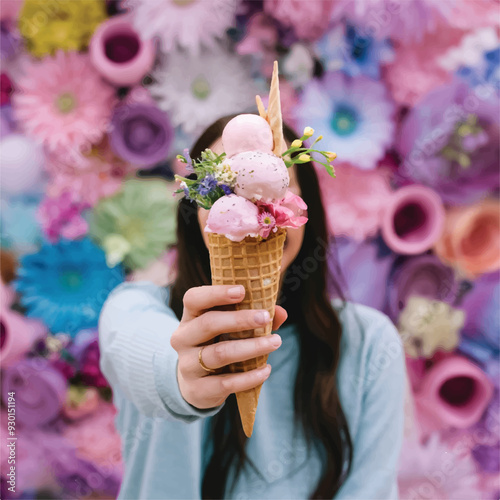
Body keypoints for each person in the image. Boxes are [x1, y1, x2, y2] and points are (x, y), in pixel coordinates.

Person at [98, 115, 406, 499]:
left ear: (305, 214)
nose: (254, 215)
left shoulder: (370, 343)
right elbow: (143, 351)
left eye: (276, 193)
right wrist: (182, 376)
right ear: (195, 217)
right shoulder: (133, 309)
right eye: (222, 193)